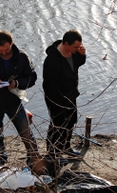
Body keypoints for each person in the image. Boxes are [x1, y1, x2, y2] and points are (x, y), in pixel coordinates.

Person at [0, 30, 39, 167]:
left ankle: (34, 158)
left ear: (11, 43)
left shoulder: (22, 57)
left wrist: (17, 83)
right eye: (0, 50)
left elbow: (32, 77)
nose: (3, 53)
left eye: (6, 49)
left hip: (14, 102)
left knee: (25, 131)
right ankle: (1, 161)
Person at [42, 29, 86, 164]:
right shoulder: (52, 60)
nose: (78, 49)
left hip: (71, 95)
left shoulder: (73, 53)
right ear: (66, 44)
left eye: (79, 46)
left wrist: (82, 55)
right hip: (56, 99)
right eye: (76, 47)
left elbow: (77, 64)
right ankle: (52, 153)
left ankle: (65, 147)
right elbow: (48, 85)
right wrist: (58, 102)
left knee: (71, 121)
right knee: (57, 125)